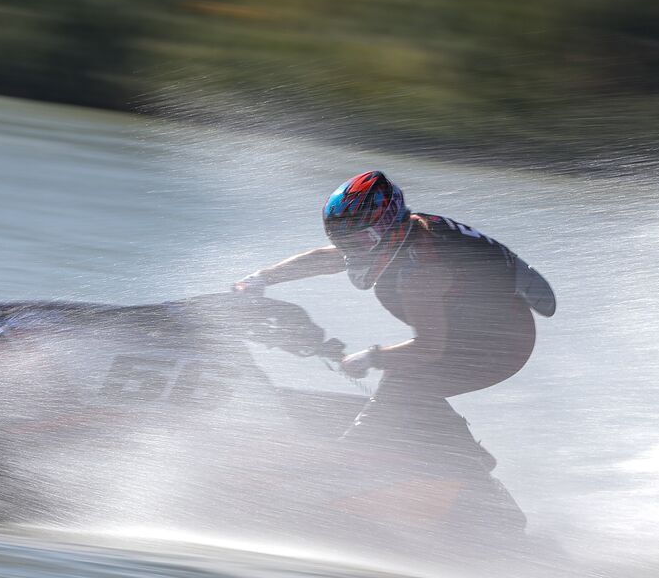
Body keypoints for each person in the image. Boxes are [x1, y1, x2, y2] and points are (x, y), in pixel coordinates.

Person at [234, 170, 555, 470]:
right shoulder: (402, 234)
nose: (349, 252)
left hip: (502, 346)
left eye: (357, 243)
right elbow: (328, 258)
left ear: (388, 228)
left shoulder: (420, 274)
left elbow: (428, 349)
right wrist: (261, 278)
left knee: (402, 379)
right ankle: (466, 452)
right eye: (342, 241)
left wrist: (372, 356)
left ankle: (347, 462)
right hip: (479, 326)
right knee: (405, 381)